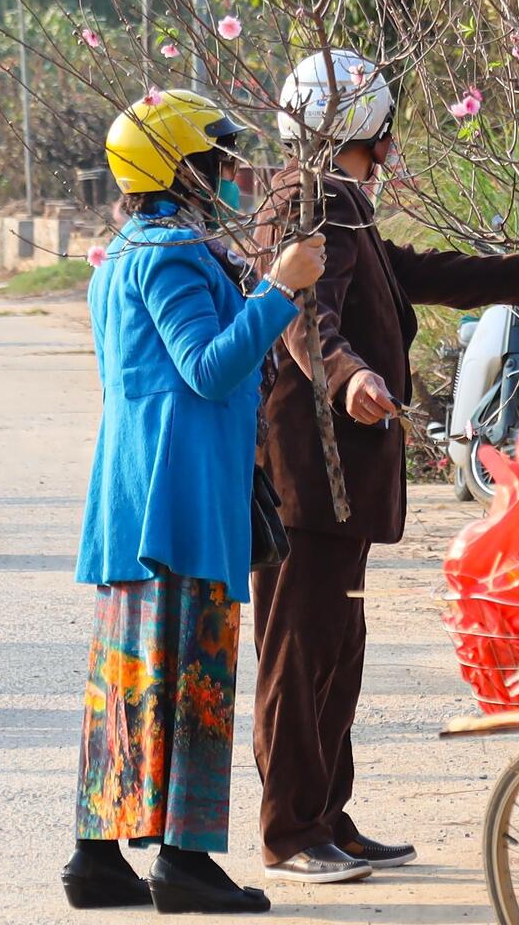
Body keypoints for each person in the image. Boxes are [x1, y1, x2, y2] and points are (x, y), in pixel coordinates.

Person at [249, 50, 519, 884]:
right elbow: (305, 319)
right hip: (313, 474)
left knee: (338, 649)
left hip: (344, 478)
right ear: (370, 129)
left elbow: (419, 272)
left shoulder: (342, 203)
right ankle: (290, 832)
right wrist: (351, 376)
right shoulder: (309, 200)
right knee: (302, 654)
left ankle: (326, 815)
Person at [65, 89, 326, 914]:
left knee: (129, 680)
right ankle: (182, 858)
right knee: (194, 677)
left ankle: (98, 859)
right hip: (180, 497)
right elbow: (208, 367)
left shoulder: (130, 251)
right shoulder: (172, 256)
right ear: (178, 170)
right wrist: (280, 292)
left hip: (139, 496)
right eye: (217, 162)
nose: (233, 174)